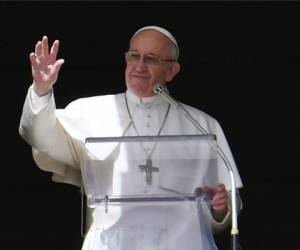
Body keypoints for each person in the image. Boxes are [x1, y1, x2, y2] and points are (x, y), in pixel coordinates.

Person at [19, 25, 243, 250]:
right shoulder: (90, 112)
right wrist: (42, 89)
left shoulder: (202, 125)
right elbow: (41, 138)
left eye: (151, 59)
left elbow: (227, 208)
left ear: (171, 71)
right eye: (134, 56)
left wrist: (221, 208)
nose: (140, 66)